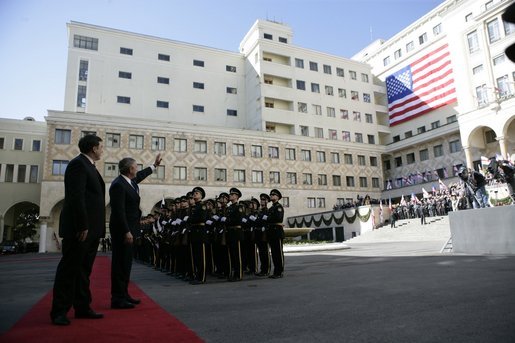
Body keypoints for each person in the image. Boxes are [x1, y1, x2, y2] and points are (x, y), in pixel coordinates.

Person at [50, 134, 106, 326]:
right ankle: (59, 311)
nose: (102, 149)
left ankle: (82, 307)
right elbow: (76, 197)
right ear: (92, 148)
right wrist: (82, 224)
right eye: (101, 146)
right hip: (80, 229)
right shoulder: (78, 165)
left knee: (83, 271)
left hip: (91, 230)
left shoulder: (89, 166)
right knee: (69, 270)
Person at [109, 154, 162, 309]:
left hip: (131, 228)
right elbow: (118, 211)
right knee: (120, 264)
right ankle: (117, 298)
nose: (137, 168)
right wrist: (126, 231)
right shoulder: (119, 184)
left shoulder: (129, 181)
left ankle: (124, 294)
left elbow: (141, 175)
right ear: (131, 169)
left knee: (126, 263)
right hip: (123, 230)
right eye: (136, 166)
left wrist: (154, 166)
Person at [264, 189, 285, 279]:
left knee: (278, 253)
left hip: (277, 232)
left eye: (273, 195)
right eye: (271, 195)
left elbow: (277, 218)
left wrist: (267, 218)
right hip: (272, 232)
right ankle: (276, 271)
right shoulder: (272, 208)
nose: (271, 196)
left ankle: (279, 272)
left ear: (277, 197)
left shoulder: (278, 207)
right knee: (274, 253)